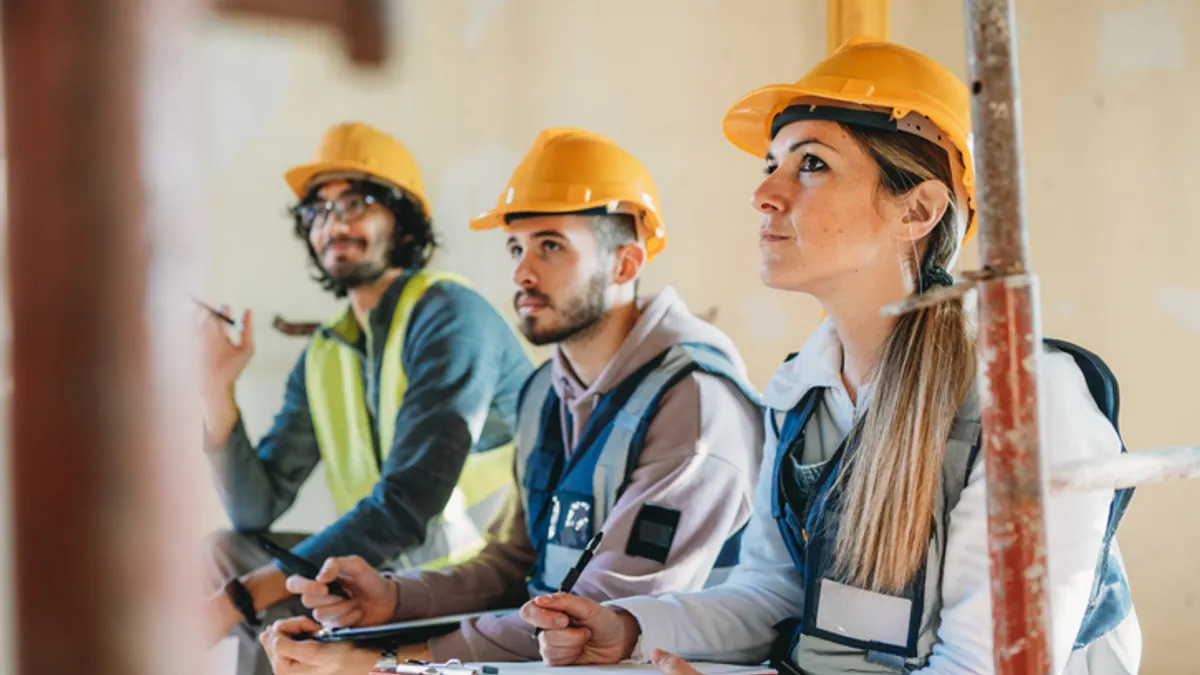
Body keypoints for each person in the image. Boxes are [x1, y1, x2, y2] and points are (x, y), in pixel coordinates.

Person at [520, 38, 1141, 675]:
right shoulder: (799, 392)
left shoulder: (1026, 398)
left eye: (811, 164)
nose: (765, 193)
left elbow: (981, 667)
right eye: (771, 164)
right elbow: (774, 595)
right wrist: (628, 627)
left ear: (918, 209)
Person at [258, 127, 765, 673]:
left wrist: (383, 662)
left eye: (551, 246)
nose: (522, 273)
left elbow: (597, 614)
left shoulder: (694, 403)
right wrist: (392, 597)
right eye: (516, 247)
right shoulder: (545, 393)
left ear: (626, 264)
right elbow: (512, 564)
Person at [199, 122, 533, 675]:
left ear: (402, 220)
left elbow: (408, 504)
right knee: (225, 552)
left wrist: (239, 599)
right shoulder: (325, 352)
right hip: (379, 567)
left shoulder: (451, 316)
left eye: (356, 203)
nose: (335, 224)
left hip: (468, 577)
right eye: (319, 211)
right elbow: (255, 509)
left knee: (253, 589)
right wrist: (216, 391)